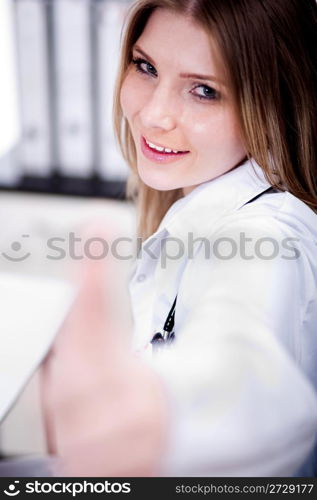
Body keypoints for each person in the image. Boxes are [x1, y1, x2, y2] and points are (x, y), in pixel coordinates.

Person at [42, 0, 317, 477]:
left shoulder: (268, 237)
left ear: (274, 104)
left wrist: (164, 418)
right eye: (146, 66)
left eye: (204, 91)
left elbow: (244, 363)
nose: (153, 115)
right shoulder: (193, 201)